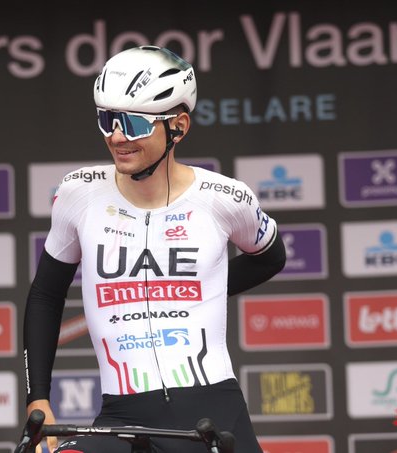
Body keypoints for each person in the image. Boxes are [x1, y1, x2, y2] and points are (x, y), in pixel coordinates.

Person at [23, 45, 286, 453]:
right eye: (107, 120)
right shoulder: (78, 194)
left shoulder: (224, 198)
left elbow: (271, 257)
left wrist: (206, 288)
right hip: (122, 415)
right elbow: (45, 294)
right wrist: (37, 397)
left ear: (178, 126)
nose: (116, 136)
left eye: (133, 123)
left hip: (214, 412)